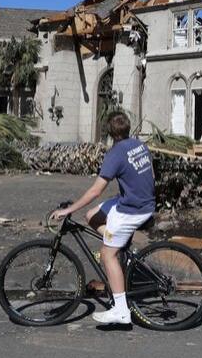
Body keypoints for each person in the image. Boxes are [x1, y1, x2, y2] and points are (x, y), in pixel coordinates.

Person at [51, 112, 155, 325]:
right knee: (91, 215)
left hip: (133, 209)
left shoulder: (115, 154)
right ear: (127, 128)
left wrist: (68, 209)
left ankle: (121, 311)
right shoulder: (139, 145)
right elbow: (151, 175)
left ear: (109, 133)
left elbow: (95, 191)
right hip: (139, 202)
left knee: (107, 254)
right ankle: (119, 244)